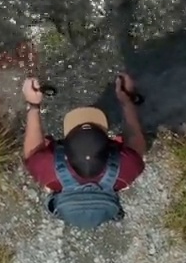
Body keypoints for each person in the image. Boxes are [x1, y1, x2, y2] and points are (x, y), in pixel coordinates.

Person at [21, 73, 146, 229]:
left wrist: (33, 105)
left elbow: (32, 153)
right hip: (101, 183)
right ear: (109, 145)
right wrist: (127, 101)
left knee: (41, 154)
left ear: (63, 150)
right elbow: (136, 140)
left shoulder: (47, 168)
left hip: (62, 183)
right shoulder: (127, 168)